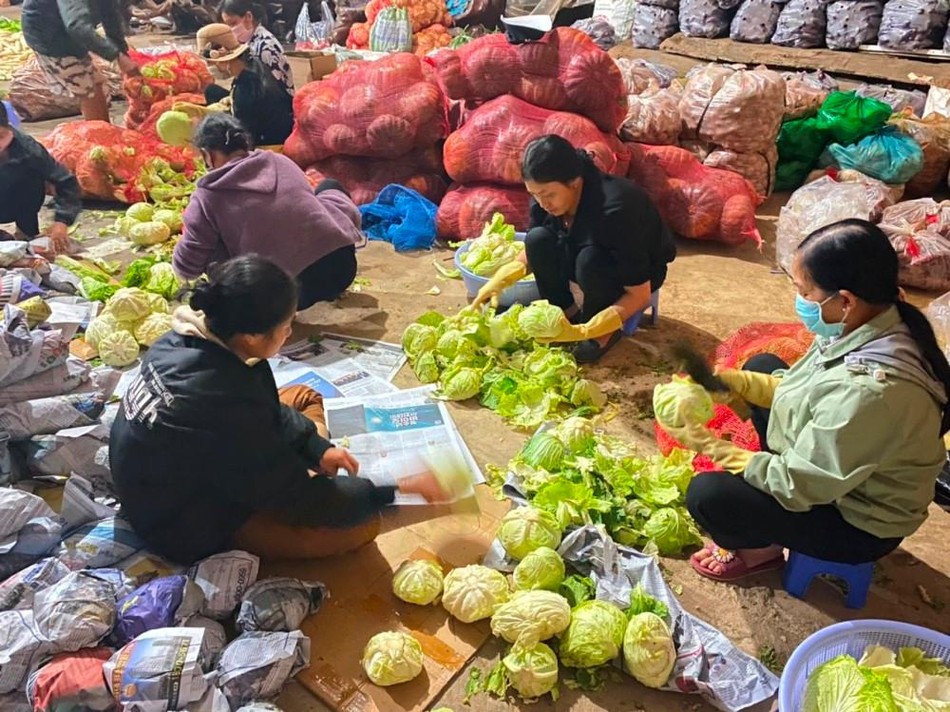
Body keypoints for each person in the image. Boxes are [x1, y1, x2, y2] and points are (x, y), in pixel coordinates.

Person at [110, 255, 447, 564]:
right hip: (182, 521)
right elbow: (296, 499)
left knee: (301, 396)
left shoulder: (184, 339)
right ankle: (301, 478)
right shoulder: (220, 402)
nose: (290, 333)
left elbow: (263, 406)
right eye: (287, 327)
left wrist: (317, 448)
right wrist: (393, 490)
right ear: (253, 337)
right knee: (360, 526)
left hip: (177, 473)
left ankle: (308, 464)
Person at [676, 219, 950, 582]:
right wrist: (736, 383)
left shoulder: (870, 391)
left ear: (846, 300)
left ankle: (760, 552)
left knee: (708, 495)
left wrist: (708, 445)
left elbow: (798, 484)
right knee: (762, 365)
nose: (800, 301)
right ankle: (766, 509)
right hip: (842, 473)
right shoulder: (870, 321)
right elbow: (803, 390)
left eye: (805, 292)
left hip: (856, 521)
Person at [473, 135, 677, 363]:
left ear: (575, 183)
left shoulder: (615, 210)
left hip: (637, 273)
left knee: (590, 261)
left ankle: (602, 333)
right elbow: (533, 250)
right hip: (584, 253)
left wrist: (584, 331)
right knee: (538, 239)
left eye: (548, 195)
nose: (542, 203)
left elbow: (639, 295)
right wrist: (498, 281)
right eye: (534, 195)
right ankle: (567, 312)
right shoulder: (546, 199)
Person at [174, 114, 362, 309]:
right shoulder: (280, 161)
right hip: (341, 270)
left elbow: (188, 267)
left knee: (211, 246)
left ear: (208, 155)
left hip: (281, 299)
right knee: (328, 187)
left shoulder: (207, 195)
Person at [21, 0, 141, 122]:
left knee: (96, 83)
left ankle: (104, 126)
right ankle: (98, 130)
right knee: (87, 89)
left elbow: (110, 14)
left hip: (70, 30)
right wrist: (117, 56)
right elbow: (77, 27)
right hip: (49, 36)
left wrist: (122, 52)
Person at [0, 102, 80, 255]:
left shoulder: (28, 149)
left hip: (21, 203)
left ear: (9, 129)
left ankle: (26, 232)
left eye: (0, 137)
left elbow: (66, 182)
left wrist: (62, 221)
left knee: (31, 250)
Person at [196, 23, 293, 147]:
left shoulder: (246, 91)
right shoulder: (253, 65)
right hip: (267, 120)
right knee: (211, 90)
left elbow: (246, 139)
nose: (210, 68)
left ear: (222, 59)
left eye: (210, 63)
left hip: (270, 141)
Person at [219, 0, 294, 98]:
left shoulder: (266, 47)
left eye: (233, 23)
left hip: (274, 101)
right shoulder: (251, 41)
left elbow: (273, 91)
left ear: (248, 17)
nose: (230, 30)